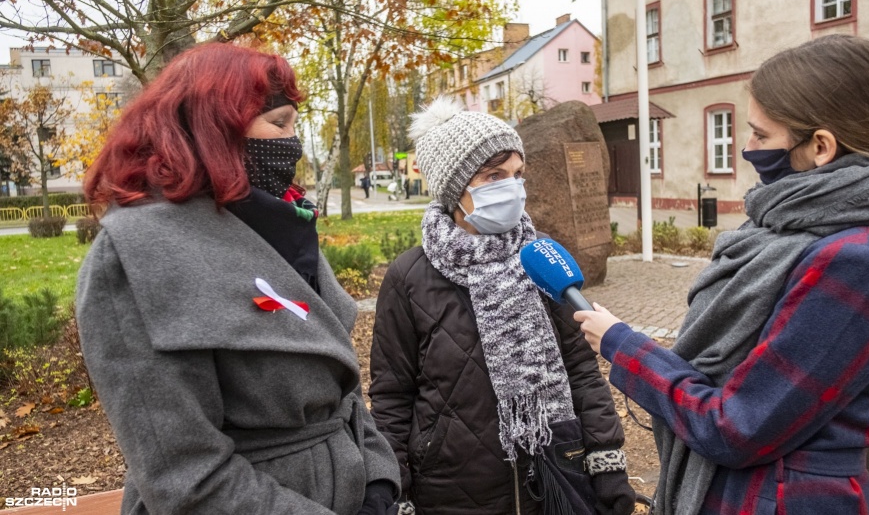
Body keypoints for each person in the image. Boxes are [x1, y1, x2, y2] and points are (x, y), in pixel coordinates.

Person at [574, 34, 869, 515]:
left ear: (820, 146)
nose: (747, 148)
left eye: (761, 135)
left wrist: (623, 345)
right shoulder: (805, 232)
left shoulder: (856, 263)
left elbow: (737, 426)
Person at [76, 43, 401, 515]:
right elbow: (187, 477)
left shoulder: (274, 226)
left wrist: (378, 480)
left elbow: (339, 391)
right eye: (279, 124)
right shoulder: (132, 256)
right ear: (214, 129)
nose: (294, 143)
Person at [369, 97, 636, 515]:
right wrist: (395, 491)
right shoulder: (409, 277)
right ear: (455, 187)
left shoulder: (541, 258)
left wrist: (606, 462)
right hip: (452, 493)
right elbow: (391, 398)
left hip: (551, 478)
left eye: (517, 174)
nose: (511, 187)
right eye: (493, 175)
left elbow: (581, 370)